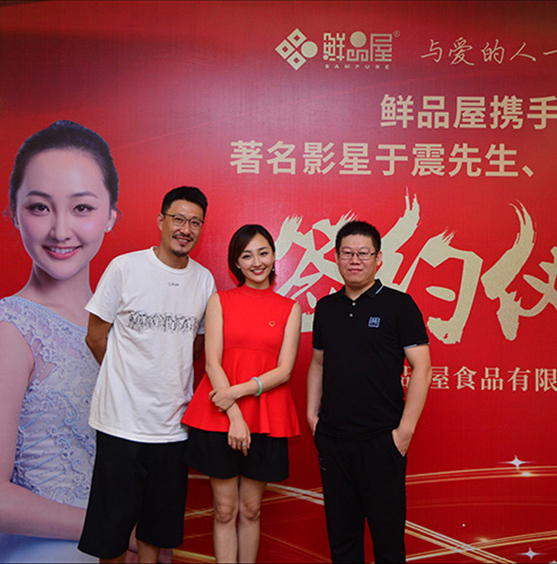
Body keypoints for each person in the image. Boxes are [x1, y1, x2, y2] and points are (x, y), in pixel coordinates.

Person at [0, 120, 120, 562]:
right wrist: (114, 527)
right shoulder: (10, 327)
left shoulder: (123, 327)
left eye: (82, 207)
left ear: (111, 214)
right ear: (13, 212)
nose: (61, 230)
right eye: (39, 207)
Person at [78, 186, 216, 564]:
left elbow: (197, 345)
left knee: (158, 529)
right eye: (178, 219)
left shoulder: (204, 280)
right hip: (120, 422)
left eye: (195, 222)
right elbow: (95, 337)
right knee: (111, 531)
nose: (185, 229)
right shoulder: (125, 268)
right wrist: (125, 378)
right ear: (161, 220)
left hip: (172, 426)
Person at [306, 220, 432, 564]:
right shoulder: (326, 308)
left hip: (382, 442)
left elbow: (422, 367)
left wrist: (403, 433)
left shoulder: (399, 305)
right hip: (334, 440)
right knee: (342, 540)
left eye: (363, 253)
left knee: (388, 543)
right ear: (336, 257)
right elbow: (318, 363)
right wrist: (312, 417)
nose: (355, 260)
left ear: (379, 258)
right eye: (347, 253)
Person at [182, 224, 302, 563]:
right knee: (224, 509)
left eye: (263, 253)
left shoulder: (289, 308)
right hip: (219, 417)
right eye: (247, 256)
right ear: (236, 263)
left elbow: (284, 370)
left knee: (251, 509)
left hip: (266, 417)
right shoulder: (219, 301)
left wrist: (237, 391)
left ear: (274, 256)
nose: (256, 262)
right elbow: (212, 362)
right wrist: (234, 415)